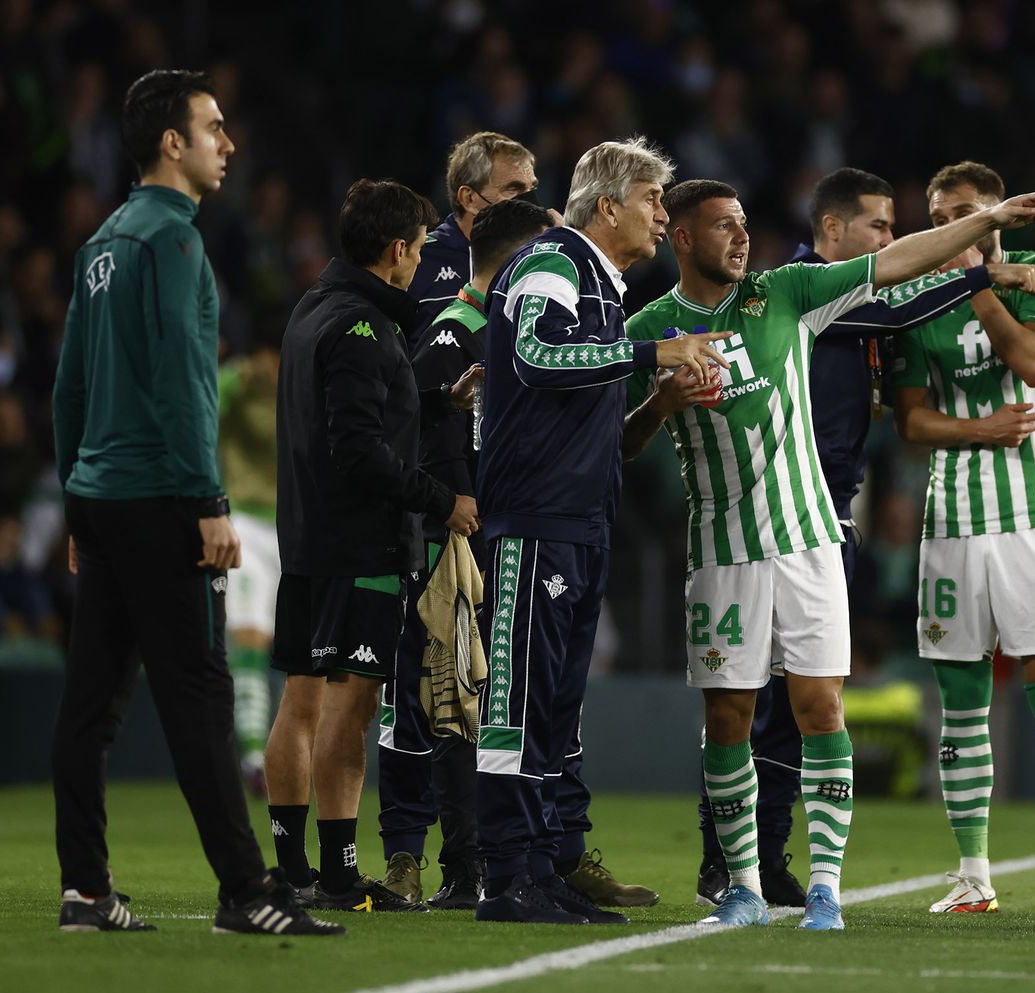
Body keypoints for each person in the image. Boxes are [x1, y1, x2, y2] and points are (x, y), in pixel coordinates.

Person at [623, 177, 1035, 930]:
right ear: (683, 239)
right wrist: (662, 400)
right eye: (721, 226)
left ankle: (824, 887)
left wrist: (985, 227)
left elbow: (895, 267)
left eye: (743, 222)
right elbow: (617, 446)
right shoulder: (653, 326)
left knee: (821, 707)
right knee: (728, 718)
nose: (740, 236)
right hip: (722, 553)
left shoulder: (788, 292)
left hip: (810, 544)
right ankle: (740, 887)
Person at [51, 68, 340, 937]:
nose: (230, 143)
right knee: (203, 699)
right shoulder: (173, 241)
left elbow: (70, 387)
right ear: (172, 142)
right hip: (161, 497)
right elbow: (183, 381)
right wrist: (210, 499)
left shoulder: (102, 243)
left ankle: (87, 890)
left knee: (89, 708)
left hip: (102, 499)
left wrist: (74, 504)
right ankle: (246, 892)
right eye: (214, 127)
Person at [473, 138, 728, 925]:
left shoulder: (600, 284)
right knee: (516, 707)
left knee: (552, 712)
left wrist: (656, 399)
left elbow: (584, 407)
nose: (662, 215)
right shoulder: (554, 260)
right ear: (608, 205)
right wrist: (657, 351)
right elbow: (540, 353)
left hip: (577, 525)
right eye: (654, 199)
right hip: (532, 524)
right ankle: (504, 878)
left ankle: (542, 869)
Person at [888, 160, 1035, 918]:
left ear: (998, 218)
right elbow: (912, 420)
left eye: (969, 213)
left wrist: (977, 282)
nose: (954, 226)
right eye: (941, 215)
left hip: (1034, 526)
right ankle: (973, 872)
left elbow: (1033, 358)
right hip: (951, 529)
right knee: (960, 709)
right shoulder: (914, 300)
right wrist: (978, 430)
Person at [265, 178, 479, 913]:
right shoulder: (363, 327)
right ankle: (336, 870)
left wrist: (429, 401)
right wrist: (442, 500)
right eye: (420, 248)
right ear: (396, 250)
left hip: (305, 543)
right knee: (349, 713)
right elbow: (358, 451)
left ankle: (294, 866)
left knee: (297, 705)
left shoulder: (313, 309)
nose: (422, 261)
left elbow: (348, 419)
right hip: (359, 550)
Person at [375, 197, 549, 908]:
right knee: (446, 700)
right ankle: (449, 865)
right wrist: (453, 504)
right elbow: (419, 435)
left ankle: (478, 862)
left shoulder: (501, 331)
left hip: (492, 539)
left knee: (472, 702)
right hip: (450, 546)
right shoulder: (454, 332)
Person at [217, 333, 281, 795]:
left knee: (303, 655)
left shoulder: (302, 388)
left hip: (292, 533)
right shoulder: (236, 388)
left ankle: (288, 753)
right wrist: (233, 381)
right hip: (244, 526)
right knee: (249, 639)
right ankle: (254, 756)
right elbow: (202, 411)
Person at [410, 131, 540, 331]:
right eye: (513, 189)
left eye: (531, 189)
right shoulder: (418, 259)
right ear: (469, 198)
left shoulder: (540, 259)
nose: (530, 204)